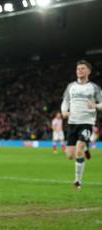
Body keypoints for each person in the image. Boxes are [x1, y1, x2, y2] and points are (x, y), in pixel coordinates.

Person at [61, 60, 101, 189]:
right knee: (70, 155)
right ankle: (86, 147)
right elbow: (65, 102)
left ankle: (77, 181)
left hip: (86, 122)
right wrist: (64, 111)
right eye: (78, 69)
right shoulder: (71, 86)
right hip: (72, 123)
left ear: (88, 71)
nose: (80, 70)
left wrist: (95, 105)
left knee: (78, 151)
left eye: (83, 68)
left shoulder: (94, 87)